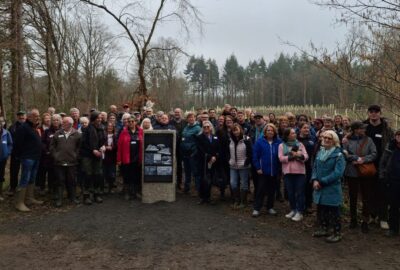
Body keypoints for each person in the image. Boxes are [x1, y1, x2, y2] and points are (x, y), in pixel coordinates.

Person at [311, 130, 346, 243]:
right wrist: (315, 179)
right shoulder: (320, 152)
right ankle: (324, 229)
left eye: (329, 138)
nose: (326, 140)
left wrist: (322, 181)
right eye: (324, 137)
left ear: (334, 141)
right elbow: (315, 167)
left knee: (333, 211)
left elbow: (338, 173)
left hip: (331, 188)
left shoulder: (339, 155)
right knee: (322, 209)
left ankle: (337, 233)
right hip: (319, 187)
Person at [343, 121, 377, 233]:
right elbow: (344, 154)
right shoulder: (346, 140)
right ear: (356, 129)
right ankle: (353, 220)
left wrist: (362, 160)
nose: (364, 130)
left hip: (365, 173)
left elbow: (374, 154)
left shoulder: (369, 140)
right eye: (362, 128)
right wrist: (355, 158)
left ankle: (365, 221)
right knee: (352, 197)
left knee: (366, 197)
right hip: (352, 172)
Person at [364, 105, 394, 229]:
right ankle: (371, 216)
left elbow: (392, 144)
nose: (374, 114)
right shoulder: (363, 126)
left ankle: (383, 218)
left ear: (380, 113)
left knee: (382, 192)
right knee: (368, 192)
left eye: (376, 112)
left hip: (382, 165)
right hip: (366, 164)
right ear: (368, 113)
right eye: (371, 111)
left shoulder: (386, 128)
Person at [14, 109, 44, 212]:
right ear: (29, 117)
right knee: (25, 179)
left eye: (38, 116)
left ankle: (29, 198)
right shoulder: (23, 128)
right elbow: (18, 144)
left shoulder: (34, 128)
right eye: (35, 116)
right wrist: (20, 155)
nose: (38, 117)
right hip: (27, 158)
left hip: (36, 157)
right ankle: (19, 203)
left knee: (32, 178)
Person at [279, 128, 309, 222]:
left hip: (299, 172)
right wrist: (290, 157)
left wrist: (298, 155)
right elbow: (280, 158)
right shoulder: (281, 145)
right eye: (292, 133)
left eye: (295, 133)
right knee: (290, 193)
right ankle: (293, 209)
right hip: (288, 172)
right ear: (287, 135)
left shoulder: (300, 144)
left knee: (300, 193)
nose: (295, 134)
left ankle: (300, 212)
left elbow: (306, 156)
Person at [50, 117, 81, 207]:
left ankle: (73, 198)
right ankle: (59, 199)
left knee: (72, 181)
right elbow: (52, 147)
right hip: (59, 162)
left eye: (64, 122)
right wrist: (56, 156)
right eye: (62, 122)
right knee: (60, 181)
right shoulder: (57, 133)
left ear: (70, 124)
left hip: (72, 162)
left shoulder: (77, 134)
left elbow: (79, 147)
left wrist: (76, 156)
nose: (62, 123)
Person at [252, 124, 282, 217]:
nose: (270, 132)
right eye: (268, 130)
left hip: (274, 171)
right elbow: (255, 156)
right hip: (263, 171)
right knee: (260, 189)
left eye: (272, 130)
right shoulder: (260, 142)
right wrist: (258, 167)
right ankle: (257, 208)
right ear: (265, 132)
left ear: (274, 132)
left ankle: (270, 207)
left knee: (272, 190)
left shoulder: (278, 142)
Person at [80, 111, 106, 205]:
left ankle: (96, 194)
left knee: (98, 174)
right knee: (88, 175)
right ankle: (86, 195)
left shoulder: (102, 128)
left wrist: (103, 146)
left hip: (98, 155)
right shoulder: (86, 129)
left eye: (100, 118)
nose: (99, 119)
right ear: (93, 119)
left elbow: (103, 140)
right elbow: (83, 143)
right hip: (87, 155)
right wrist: (92, 150)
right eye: (97, 118)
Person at [379, 130, 400, 237]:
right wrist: (383, 176)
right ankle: (393, 228)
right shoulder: (390, 147)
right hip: (393, 180)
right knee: (393, 206)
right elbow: (383, 162)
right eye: (398, 135)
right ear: (396, 136)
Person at [117, 116, 143, 200]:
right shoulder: (123, 132)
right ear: (127, 123)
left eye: (132, 121)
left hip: (137, 158)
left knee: (136, 176)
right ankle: (127, 192)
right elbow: (119, 147)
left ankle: (135, 192)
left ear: (136, 122)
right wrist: (119, 159)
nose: (131, 123)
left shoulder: (141, 131)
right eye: (129, 121)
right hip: (126, 158)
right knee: (127, 176)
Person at [195, 120, 220, 204]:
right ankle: (202, 197)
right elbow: (200, 150)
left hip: (213, 162)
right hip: (203, 161)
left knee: (210, 179)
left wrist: (215, 156)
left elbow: (218, 149)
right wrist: (210, 157)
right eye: (204, 127)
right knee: (203, 179)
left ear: (211, 128)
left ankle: (208, 197)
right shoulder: (199, 137)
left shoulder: (215, 137)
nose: (206, 128)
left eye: (207, 127)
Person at [37, 114, 61, 196]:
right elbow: (42, 142)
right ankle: (42, 188)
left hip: (58, 157)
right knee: (43, 172)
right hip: (47, 156)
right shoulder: (47, 131)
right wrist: (46, 151)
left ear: (60, 121)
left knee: (53, 174)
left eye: (57, 120)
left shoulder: (62, 131)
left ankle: (52, 188)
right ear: (51, 121)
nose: (55, 121)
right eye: (54, 120)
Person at [228, 124, 252, 209]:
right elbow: (228, 152)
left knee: (244, 184)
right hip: (233, 165)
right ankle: (236, 200)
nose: (235, 132)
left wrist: (246, 162)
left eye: (237, 130)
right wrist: (229, 160)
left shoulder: (246, 139)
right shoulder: (230, 140)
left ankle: (243, 202)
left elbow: (250, 153)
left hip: (243, 166)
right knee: (233, 183)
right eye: (234, 130)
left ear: (240, 130)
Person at [297, 122, 316, 213]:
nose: (307, 130)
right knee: (300, 186)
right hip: (298, 166)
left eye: (308, 128)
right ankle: (300, 205)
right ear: (300, 129)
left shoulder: (312, 139)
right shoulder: (296, 139)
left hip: (309, 166)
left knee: (309, 186)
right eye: (304, 128)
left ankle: (308, 205)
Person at [181, 112, 201, 194]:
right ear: (187, 119)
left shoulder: (198, 128)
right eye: (189, 118)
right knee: (187, 172)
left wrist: (194, 152)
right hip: (185, 153)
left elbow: (199, 142)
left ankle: (198, 190)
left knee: (195, 172)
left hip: (193, 154)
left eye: (192, 117)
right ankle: (186, 188)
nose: (191, 119)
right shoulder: (186, 127)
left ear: (195, 118)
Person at [7, 111, 26, 195]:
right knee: (14, 170)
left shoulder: (29, 126)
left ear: (25, 116)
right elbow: (9, 140)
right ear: (17, 117)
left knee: (26, 171)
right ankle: (12, 187)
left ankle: (24, 188)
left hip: (26, 153)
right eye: (19, 116)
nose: (21, 117)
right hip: (15, 153)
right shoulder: (12, 127)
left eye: (23, 115)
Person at [170, 108, 186, 190]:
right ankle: (171, 181)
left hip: (181, 146)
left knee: (180, 165)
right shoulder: (170, 122)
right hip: (172, 146)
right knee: (170, 164)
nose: (177, 113)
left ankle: (179, 182)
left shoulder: (185, 122)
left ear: (181, 113)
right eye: (175, 112)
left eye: (178, 112)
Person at [0, 117, 12, 201]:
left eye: (2, 121)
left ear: (4, 123)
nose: (0, 123)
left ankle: (0, 193)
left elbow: (10, 144)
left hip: (2, 159)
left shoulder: (6, 133)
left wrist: (7, 153)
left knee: (1, 176)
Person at [103, 122, 117, 194]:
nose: (110, 128)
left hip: (112, 156)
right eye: (108, 126)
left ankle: (111, 187)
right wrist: (105, 147)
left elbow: (117, 145)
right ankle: (104, 187)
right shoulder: (103, 135)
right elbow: (100, 143)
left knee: (112, 173)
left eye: (111, 127)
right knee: (104, 172)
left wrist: (112, 147)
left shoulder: (115, 135)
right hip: (104, 156)